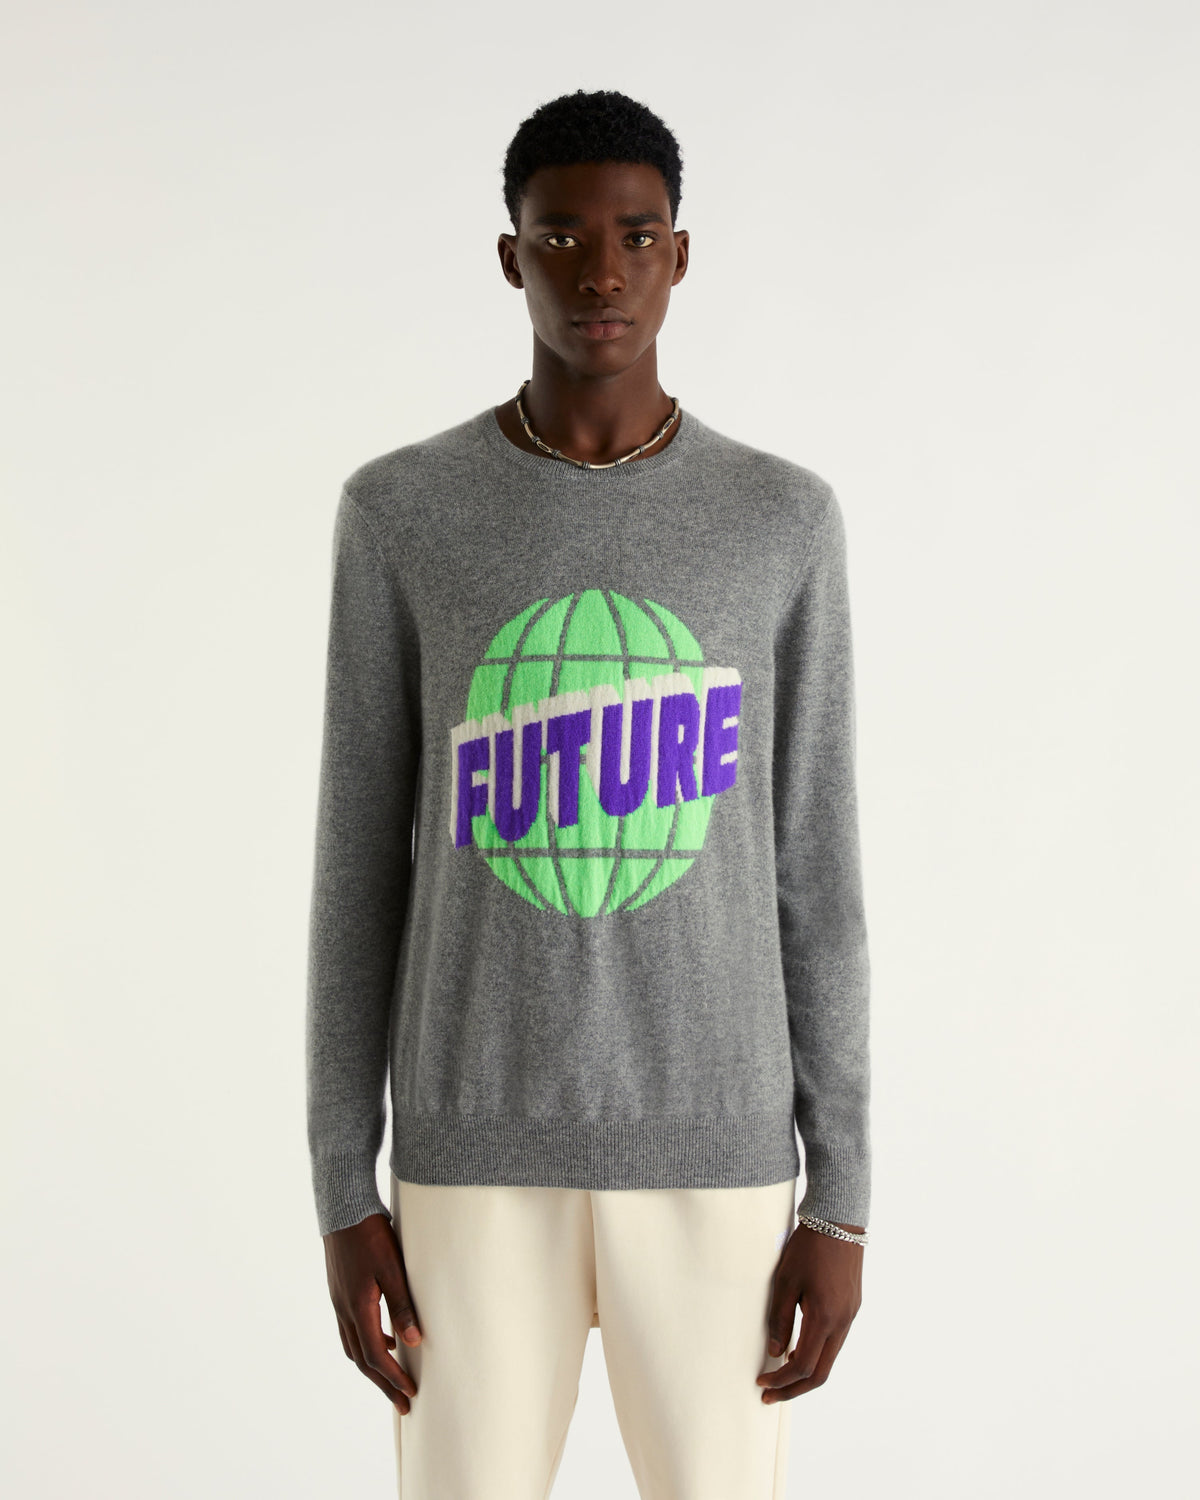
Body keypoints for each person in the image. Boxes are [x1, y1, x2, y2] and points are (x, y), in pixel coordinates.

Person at [306, 88, 872, 1500]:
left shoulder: (780, 519)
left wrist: (844, 1198)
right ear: (512, 258)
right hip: (471, 1148)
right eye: (560, 237)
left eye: (633, 236)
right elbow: (359, 866)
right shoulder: (402, 513)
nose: (599, 272)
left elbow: (816, 872)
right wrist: (340, 1180)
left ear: (680, 254)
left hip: (716, 1147)